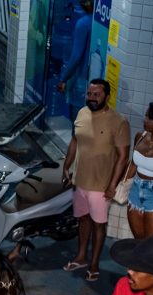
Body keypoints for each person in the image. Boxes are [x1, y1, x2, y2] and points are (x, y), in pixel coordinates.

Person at [62, 79, 129, 282]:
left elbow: (123, 157)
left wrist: (112, 185)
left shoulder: (118, 122)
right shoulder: (82, 113)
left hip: (100, 186)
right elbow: (75, 141)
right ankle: (81, 257)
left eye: (96, 94)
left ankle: (94, 264)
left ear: (107, 96)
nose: (91, 98)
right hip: (80, 181)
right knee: (82, 220)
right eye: (89, 94)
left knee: (98, 225)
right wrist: (66, 166)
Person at [127, 101, 153, 239]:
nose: (144, 119)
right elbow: (133, 164)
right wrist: (117, 186)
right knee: (139, 239)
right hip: (136, 189)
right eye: (145, 115)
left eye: (148, 117)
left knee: (152, 243)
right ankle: (137, 261)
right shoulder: (140, 136)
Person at [56, 0, 93, 120]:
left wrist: (63, 79)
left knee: (78, 125)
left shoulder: (83, 23)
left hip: (81, 81)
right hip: (95, 81)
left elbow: (76, 56)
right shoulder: (98, 23)